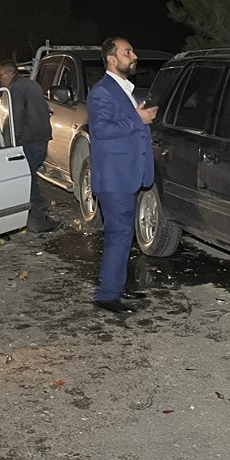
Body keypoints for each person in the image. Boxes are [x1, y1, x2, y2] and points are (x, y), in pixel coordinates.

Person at [86, 37, 159, 314]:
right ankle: (107, 295)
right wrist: (137, 120)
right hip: (114, 176)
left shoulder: (123, 88)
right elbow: (101, 130)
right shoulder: (102, 91)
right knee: (119, 233)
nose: (134, 55)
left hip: (126, 173)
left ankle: (117, 284)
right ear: (112, 59)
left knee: (124, 232)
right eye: (127, 51)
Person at [0, 60, 56, 233]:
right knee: (30, 174)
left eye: (0, 75)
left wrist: (12, 140)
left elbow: (17, 118)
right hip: (41, 138)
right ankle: (38, 210)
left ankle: (35, 214)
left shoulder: (16, 89)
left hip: (29, 140)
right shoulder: (31, 84)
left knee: (25, 176)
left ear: (9, 74)